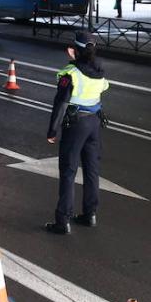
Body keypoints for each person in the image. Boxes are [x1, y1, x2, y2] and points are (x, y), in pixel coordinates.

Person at [44, 31, 109, 235]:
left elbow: (61, 103)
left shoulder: (70, 73)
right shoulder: (99, 69)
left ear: (74, 50)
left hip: (76, 124)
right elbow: (98, 92)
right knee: (91, 170)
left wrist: (52, 130)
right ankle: (90, 214)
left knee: (69, 171)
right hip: (94, 123)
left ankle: (63, 221)